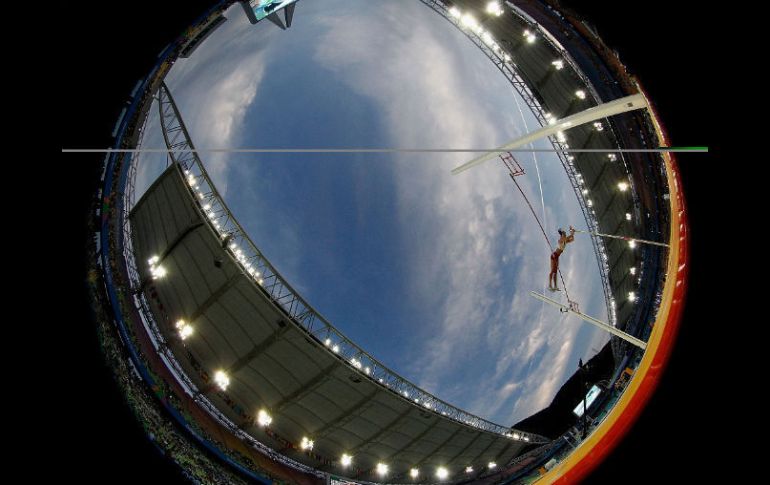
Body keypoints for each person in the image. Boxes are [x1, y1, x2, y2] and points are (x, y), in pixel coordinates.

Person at [549, 226, 575, 291]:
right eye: (564, 233)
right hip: (554, 255)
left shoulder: (565, 240)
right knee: (553, 271)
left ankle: (555, 286)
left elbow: (572, 239)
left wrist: (572, 233)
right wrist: (572, 232)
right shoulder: (561, 239)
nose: (565, 233)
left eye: (565, 233)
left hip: (557, 256)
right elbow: (569, 237)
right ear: (562, 234)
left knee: (555, 272)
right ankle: (550, 285)